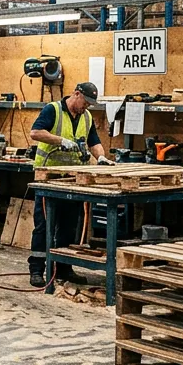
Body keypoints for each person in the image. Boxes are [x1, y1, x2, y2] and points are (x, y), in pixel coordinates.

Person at [26, 81, 113, 287]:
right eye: (86, 102)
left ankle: (63, 268)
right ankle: (37, 269)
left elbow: (93, 141)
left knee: (67, 227)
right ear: (76, 94)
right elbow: (35, 132)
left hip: (72, 181)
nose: (87, 107)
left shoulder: (87, 116)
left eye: (91, 104)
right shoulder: (53, 110)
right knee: (44, 226)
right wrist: (61, 141)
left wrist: (100, 157)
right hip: (49, 180)